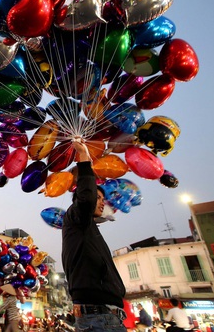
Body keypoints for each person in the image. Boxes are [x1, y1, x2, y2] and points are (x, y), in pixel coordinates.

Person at [61, 140, 127, 332]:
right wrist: (84, 158)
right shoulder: (76, 216)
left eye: (103, 199)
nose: (101, 203)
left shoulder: (87, 227)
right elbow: (86, 198)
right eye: (98, 198)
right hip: (99, 318)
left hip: (106, 317)